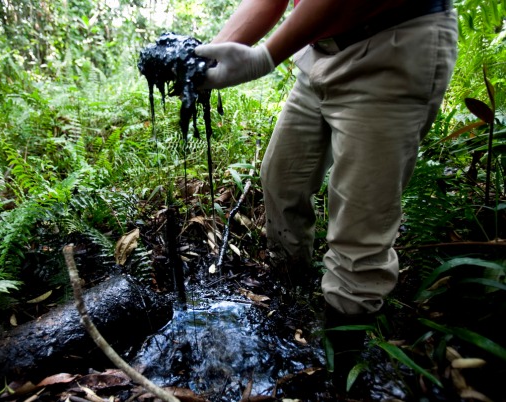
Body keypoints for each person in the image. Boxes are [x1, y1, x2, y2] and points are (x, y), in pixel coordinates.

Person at [195, 0, 458, 389]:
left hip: (393, 44)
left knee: (360, 222)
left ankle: (343, 366)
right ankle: (291, 296)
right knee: (281, 179)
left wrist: (265, 56)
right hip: (322, 51)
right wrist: (202, 60)